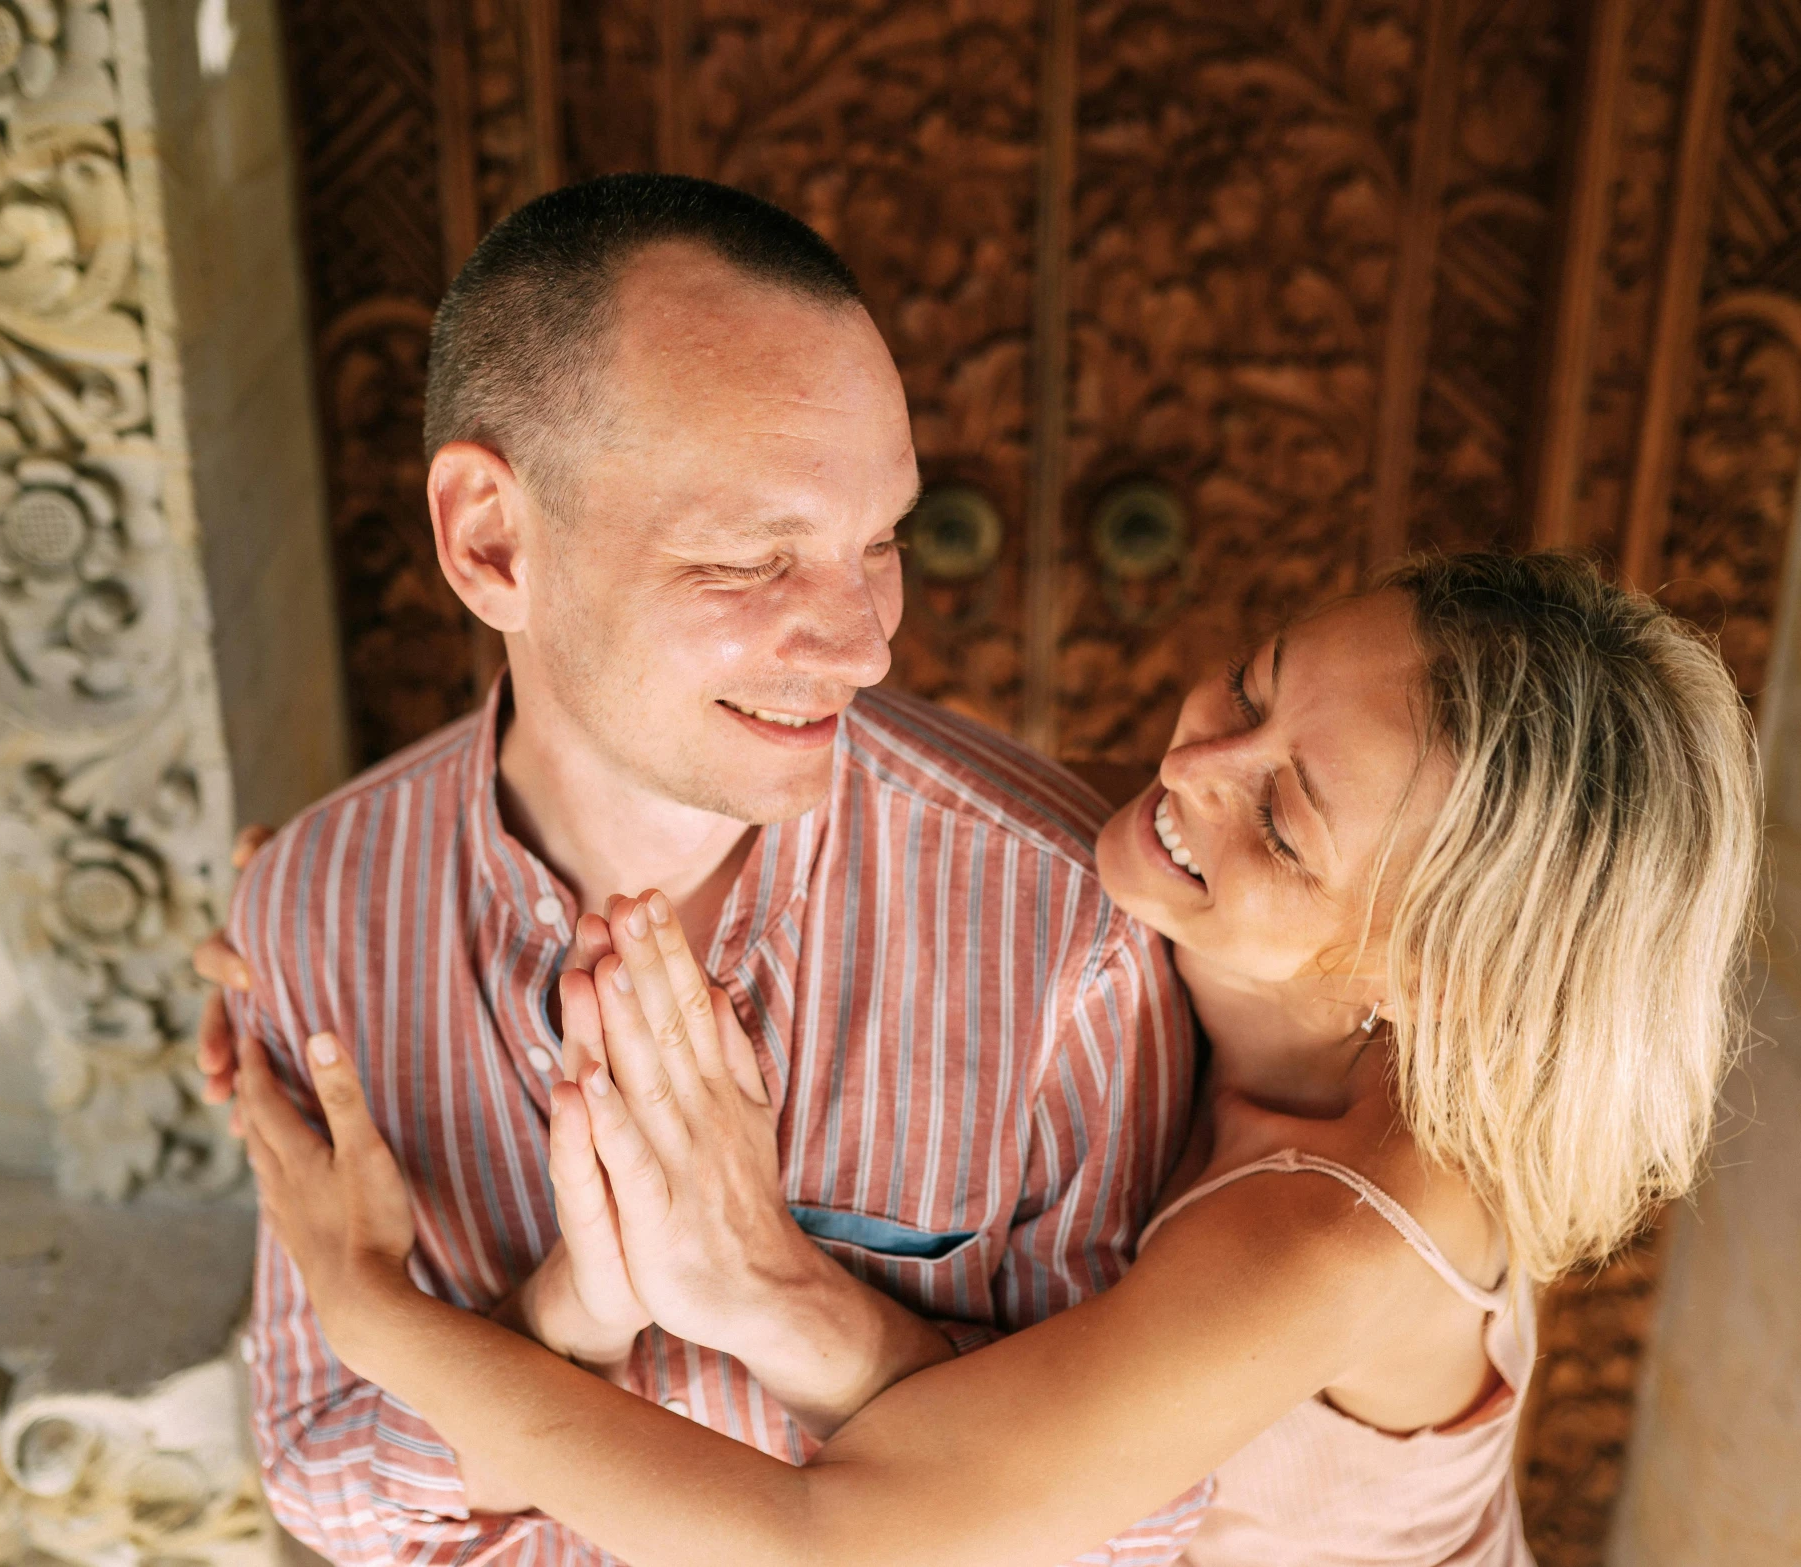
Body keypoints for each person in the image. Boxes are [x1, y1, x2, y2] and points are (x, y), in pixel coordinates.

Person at [225, 550, 1764, 1566]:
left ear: (1436, 966)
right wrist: (347, 906)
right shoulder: (1162, 904)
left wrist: (376, 1312)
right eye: (1250, 681)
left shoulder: (1335, 1232)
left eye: (1286, 814)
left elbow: (827, 1541)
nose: (1193, 767)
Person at [206, 172, 1203, 1564]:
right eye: (751, 558)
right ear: (491, 540)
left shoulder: (1063, 930)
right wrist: (562, 1318)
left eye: (880, 543)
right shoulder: (316, 904)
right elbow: (320, 1479)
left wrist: (783, 1297)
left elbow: (1140, 1533)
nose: (865, 645)